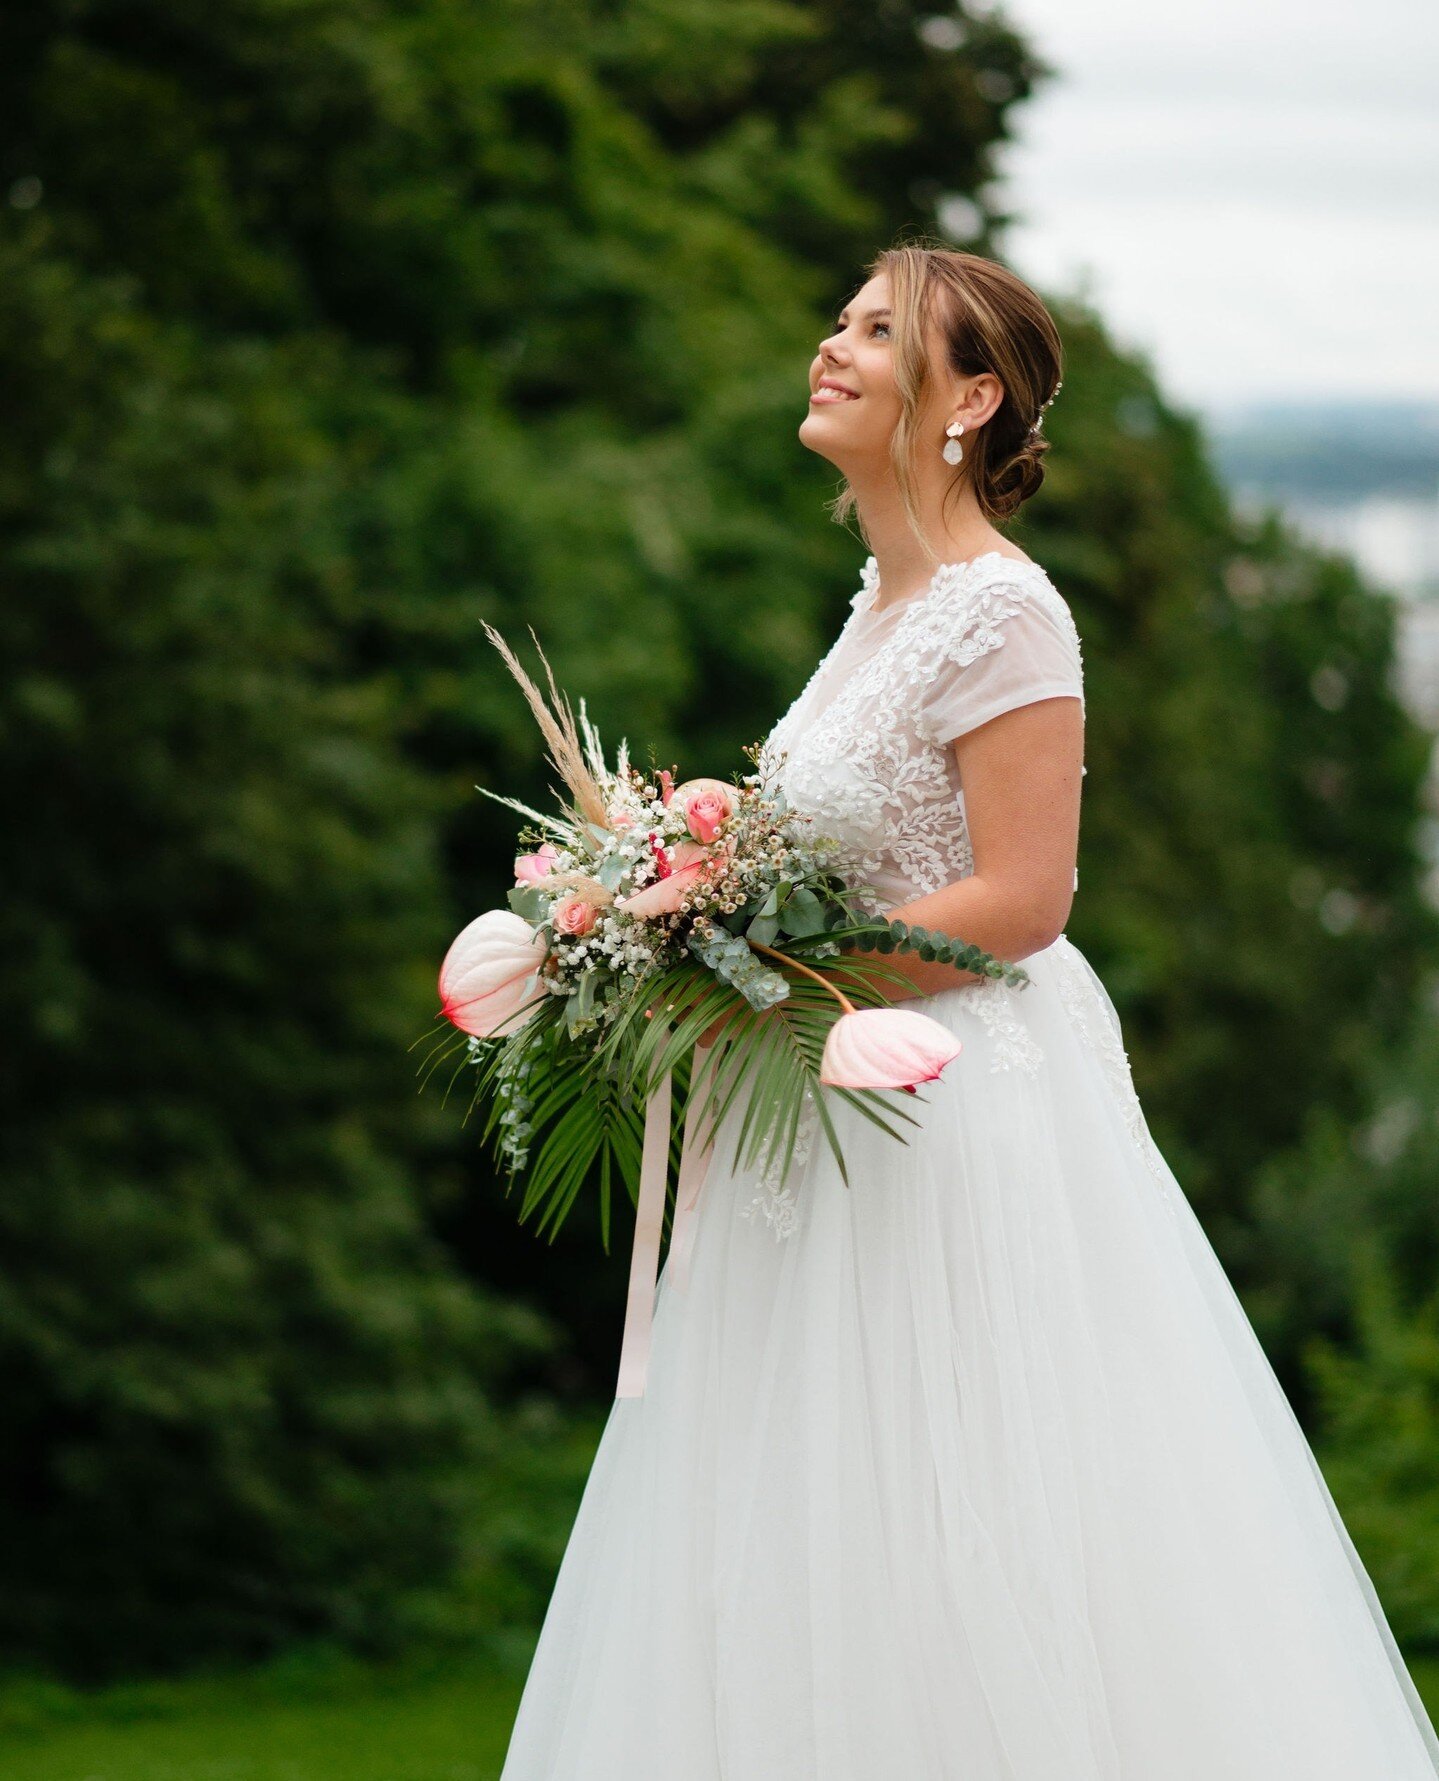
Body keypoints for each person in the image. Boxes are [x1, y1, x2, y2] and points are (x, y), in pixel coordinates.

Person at [499, 244, 1439, 1778]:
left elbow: (1022, 899)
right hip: (820, 1119)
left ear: (972, 397)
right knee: (799, 1521)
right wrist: (706, 923)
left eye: (882, 330)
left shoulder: (1005, 611)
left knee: (968, 1513)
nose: (833, 343)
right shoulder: (880, 603)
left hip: (949, 1118)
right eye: (843, 319)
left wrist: (757, 960)